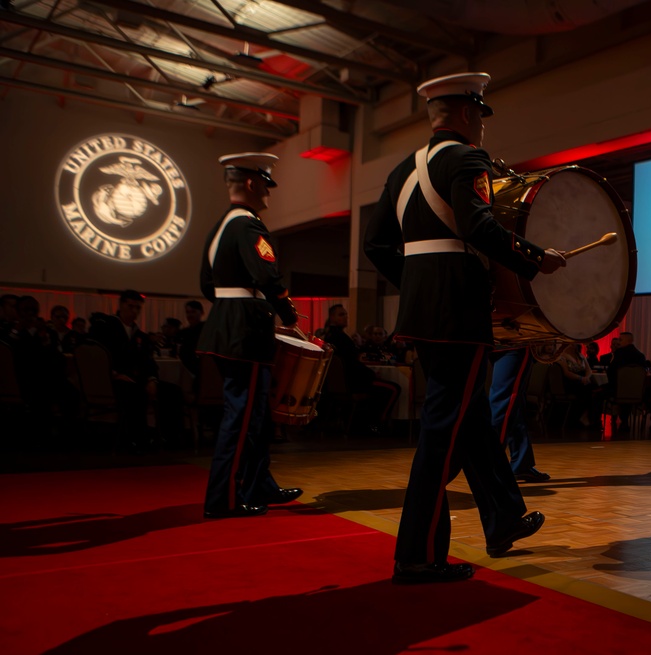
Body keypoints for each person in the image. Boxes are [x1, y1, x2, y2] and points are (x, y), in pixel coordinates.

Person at [364, 72, 566, 584]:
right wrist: (533, 258)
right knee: (443, 433)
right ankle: (417, 554)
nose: (481, 124)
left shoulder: (401, 172)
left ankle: (502, 519)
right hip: (457, 310)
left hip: (423, 313)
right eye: (479, 114)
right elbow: (478, 227)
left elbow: (375, 244)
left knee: (468, 418)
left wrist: (415, 285)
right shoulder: (467, 159)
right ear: (465, 114)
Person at [197, 152, 303, 519]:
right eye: (266, 185)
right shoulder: (249, 226)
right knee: (242, 417)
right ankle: (222, 498)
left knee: (253, 415)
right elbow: (266, 276)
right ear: (252, 183)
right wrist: (286, 313)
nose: (269, 193)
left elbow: (207, 286)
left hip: (228, 325)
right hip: (246, 332)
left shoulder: (220, 227)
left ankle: (259, 484)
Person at [88, 290, 160, 449]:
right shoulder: (105, 327)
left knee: (172, 392)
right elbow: (97, 356)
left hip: (137, 379)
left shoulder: (140, 335)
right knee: (135, 392)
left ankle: (167, 438)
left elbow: (149, 361)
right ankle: (137, 439)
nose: (134, 311)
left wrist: (152, 379)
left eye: (137, 308)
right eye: (130, 306)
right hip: (112, 381)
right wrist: (113, 374)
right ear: (121, 305)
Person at [320, 304, 399, 432]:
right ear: (332, 317)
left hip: (342, 384)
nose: (346, 317)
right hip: (354, 383)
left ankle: (367, 423)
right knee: (394, 388)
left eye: (346, 314)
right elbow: (352, 364)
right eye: (341, 314)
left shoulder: (331, 337)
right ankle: (378, 425)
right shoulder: (340, 338)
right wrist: (371, 374)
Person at [488, 348, 549, 482]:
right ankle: (490, 466)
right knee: (505, 401)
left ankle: (521, 463)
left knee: (513, 403)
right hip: (514, 341)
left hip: (495, 341)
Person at [178, 300, 205, 375]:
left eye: (193, 312)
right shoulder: (183, 332)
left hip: (201, 369)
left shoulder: (206, 330)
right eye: (187, 312)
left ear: (202, 313)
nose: (190, 315)